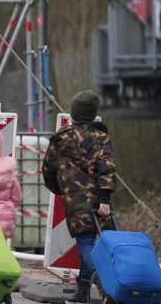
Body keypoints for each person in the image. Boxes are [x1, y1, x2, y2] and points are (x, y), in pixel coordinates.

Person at [43, 90, 117, 304]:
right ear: (93, 114)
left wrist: (60, 190)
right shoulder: (102, 137)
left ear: (73, 114)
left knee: (85, 242)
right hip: (100, 200)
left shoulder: (59, 139)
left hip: (74, 199)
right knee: (92, 242)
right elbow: (108, 169)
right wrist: (104, 199)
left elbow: (48, 170)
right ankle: (82, 292)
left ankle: (101, 281)